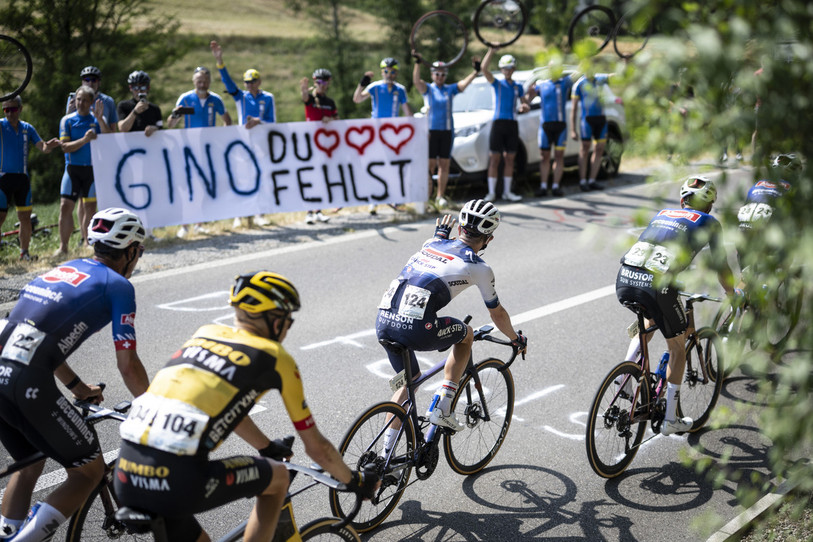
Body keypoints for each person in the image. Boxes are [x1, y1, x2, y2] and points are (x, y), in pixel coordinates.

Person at [113, 271, 378, 542]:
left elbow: (226, 406)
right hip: (177, 481)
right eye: (288, 321)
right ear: (275, 319)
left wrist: (266, 447)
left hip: (125, 475)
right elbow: (318, 449)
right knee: (278, 479)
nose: (288, 328)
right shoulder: (275, 358)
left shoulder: (205, 333)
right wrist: (355, 481)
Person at [0, 208, 150, 541]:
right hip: (27, 382)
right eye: (139, 251)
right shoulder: (119, 285)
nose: (138, 258)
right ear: (129, 251)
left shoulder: (64, 269)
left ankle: (7, 533)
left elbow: (37, 341)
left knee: (29, 463)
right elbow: (127, 364)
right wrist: (154, 409)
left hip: (3, 374)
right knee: (88, 472)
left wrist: (77, 386)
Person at [376, 199, 527, 435]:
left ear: (459, 228)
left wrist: (439, 235)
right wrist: (515, 338)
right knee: (466, 335)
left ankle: (385, 456)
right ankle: (443, 408)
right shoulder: (479, 267)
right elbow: (496, 312)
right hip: (416, 328)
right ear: (489, 239)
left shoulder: (431, 243)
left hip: (383, 321)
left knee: (410, 383)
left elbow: (439, 243)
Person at [616, 176, 735, 436]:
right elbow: (721, 266)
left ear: (683, 200)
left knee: (649, 322)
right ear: (709, 206)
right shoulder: (710, 223)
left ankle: (623, 380)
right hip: (657, 286)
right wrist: (732, 293)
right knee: (678, 347)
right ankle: (671, 419)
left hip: (624, 277)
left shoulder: (663, 212)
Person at [167, 66, 232, 238]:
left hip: (208, 150)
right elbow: (171, 124)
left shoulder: (216, 100)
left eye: (204, 81)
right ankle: (184, 224)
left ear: (209, 82)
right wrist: (174, 115)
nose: (202, 84)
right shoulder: (186, 98)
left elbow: (227, 120)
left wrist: (220, 138)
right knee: (188, 186)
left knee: (203, 186)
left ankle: (199, 223)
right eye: (198, 81)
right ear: (193, 81)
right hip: (188, 148)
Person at [412, 52, 478, 209]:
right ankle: (427, 196)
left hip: (447, 131)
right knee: (430, 165)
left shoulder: (449, 89)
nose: (440, 77)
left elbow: (463, 84)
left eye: (442, 74)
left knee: (444, 164)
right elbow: (416, 81)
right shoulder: (428, 89)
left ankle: (440, 196)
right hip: (431, 131)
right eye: (437, 74)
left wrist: (476, 72)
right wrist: (417, 63)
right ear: (432, 75)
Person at [0, 95, 61, 261]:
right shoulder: (0, 125)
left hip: (22, 179)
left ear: (20, 109)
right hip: (3, 179)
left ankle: (24, 253)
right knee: (1, 216)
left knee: (25, 218)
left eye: (13, 109)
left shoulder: (27, 128)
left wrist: (49, 146)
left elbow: (43, 147)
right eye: (6, 110)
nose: (9, 113)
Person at [57, 85, 112, 255]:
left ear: (91, 102)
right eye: (78, 99)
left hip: (91, 170)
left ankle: (88, 242)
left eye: (85, 100)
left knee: (90, 208)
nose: (80, 103)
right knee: (66, 207)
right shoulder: (67, 120)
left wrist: (100, 119)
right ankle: (63, 247)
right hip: (73, 169)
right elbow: (65, 147)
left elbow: (109, 137)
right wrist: (85, 139)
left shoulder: (96, 119)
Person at [353, 57, 412, 215]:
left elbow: (407, 112)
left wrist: (414, 128)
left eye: (393, 72)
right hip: (376, 130)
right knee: (375, 164)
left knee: (392, 165)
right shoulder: (375, 87)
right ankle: (374, 200)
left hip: (392, 131)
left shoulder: (400, 89)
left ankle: (394, 197)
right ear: (382, 72)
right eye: (386, 71)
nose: (389, 74)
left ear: (396, 73)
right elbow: (357, 99)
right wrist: (362, 83)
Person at [736, 153, 799, 275]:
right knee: (782, 266)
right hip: (767, 232)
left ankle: (742, 291)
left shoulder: (757, 184)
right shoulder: (791, 188)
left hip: (743, 231)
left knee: (747, 277)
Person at [480, 49, 530, 203]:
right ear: (501, 70)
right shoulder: (497, 83)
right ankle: (491, 193)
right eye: (504, 68)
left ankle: (507, 192)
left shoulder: (518, 86)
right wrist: (491, 51)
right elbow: (483, 69)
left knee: (510, 158)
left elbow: (524, 104)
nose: (507, 71)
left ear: (513, 69)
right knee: (494, 158)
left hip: (512, 124)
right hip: (498, 122)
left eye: (510, 68)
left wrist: (525, 106)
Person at [526, 56, 573, 197]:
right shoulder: (541, 84)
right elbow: (528, 97)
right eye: (551, 67)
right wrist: (527, 97)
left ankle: (556, 186)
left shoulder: (565, 82)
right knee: (544, 157)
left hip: (560, 126)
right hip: (545, 126)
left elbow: (579, 72)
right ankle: (543, 186)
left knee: (559, 156)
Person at [300, 68, 338, 225]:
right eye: (318, 82)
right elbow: (304, 98)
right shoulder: (311, 98)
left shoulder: (330, 102)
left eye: (324, 82)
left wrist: (331, 120)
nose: (321, 85)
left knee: (322, 177)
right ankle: (309, 212)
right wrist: (303, 90)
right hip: (310, 144)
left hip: (326, 145)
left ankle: (319, 211)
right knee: (310, 177)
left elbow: (338, 118)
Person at [570, 69, 613, 191]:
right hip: (587, 119)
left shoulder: (600, 79)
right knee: (584, 148)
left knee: (599, 149)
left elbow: (616, 76)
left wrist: (625, 62)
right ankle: (583, 181)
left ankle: (592, 180)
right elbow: (573, 108)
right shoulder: (579, 83)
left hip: (601, 119)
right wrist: (573, 129)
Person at [66, 66, 119, 131]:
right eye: (87, 80)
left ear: (99, 83)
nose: (90, 83)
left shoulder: (108, 101)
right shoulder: (74, 99)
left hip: (101, 139)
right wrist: (69, 113)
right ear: (82, 82)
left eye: (94, 80)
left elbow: (113, 130)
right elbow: (67, 126)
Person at [117, 70, 163, 136]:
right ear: (130, 88)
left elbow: (161, 129)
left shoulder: (155, 108)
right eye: (135, 87)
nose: (139, 90)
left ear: (148, 88)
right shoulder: (123, 105)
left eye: (143, 87)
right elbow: (122, 129)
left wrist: (155, 129)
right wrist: (135, 112)